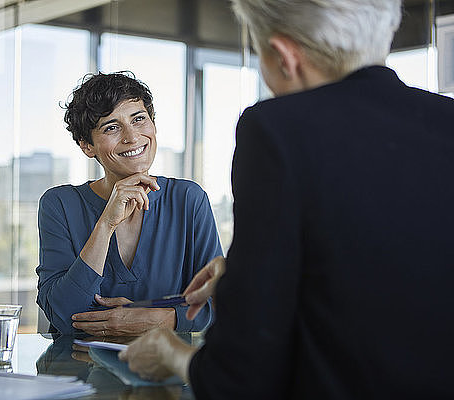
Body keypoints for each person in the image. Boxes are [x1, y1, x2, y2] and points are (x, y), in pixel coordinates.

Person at [119, 0, 454, 398]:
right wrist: (250, 273)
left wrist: (174, 356)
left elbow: (241, 377)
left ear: (283, 57)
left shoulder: (276, 128)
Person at [36, 72, 223, 335]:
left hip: (168, 369)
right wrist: (106, 224)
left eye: (139, 119)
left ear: (153, 125)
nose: (132, 137)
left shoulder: (188, 199)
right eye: (111, 127)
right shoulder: (60, 204)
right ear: (87, 146)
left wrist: (144, 318)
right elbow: (64, 314)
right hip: (79, 370)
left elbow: (217, 304)